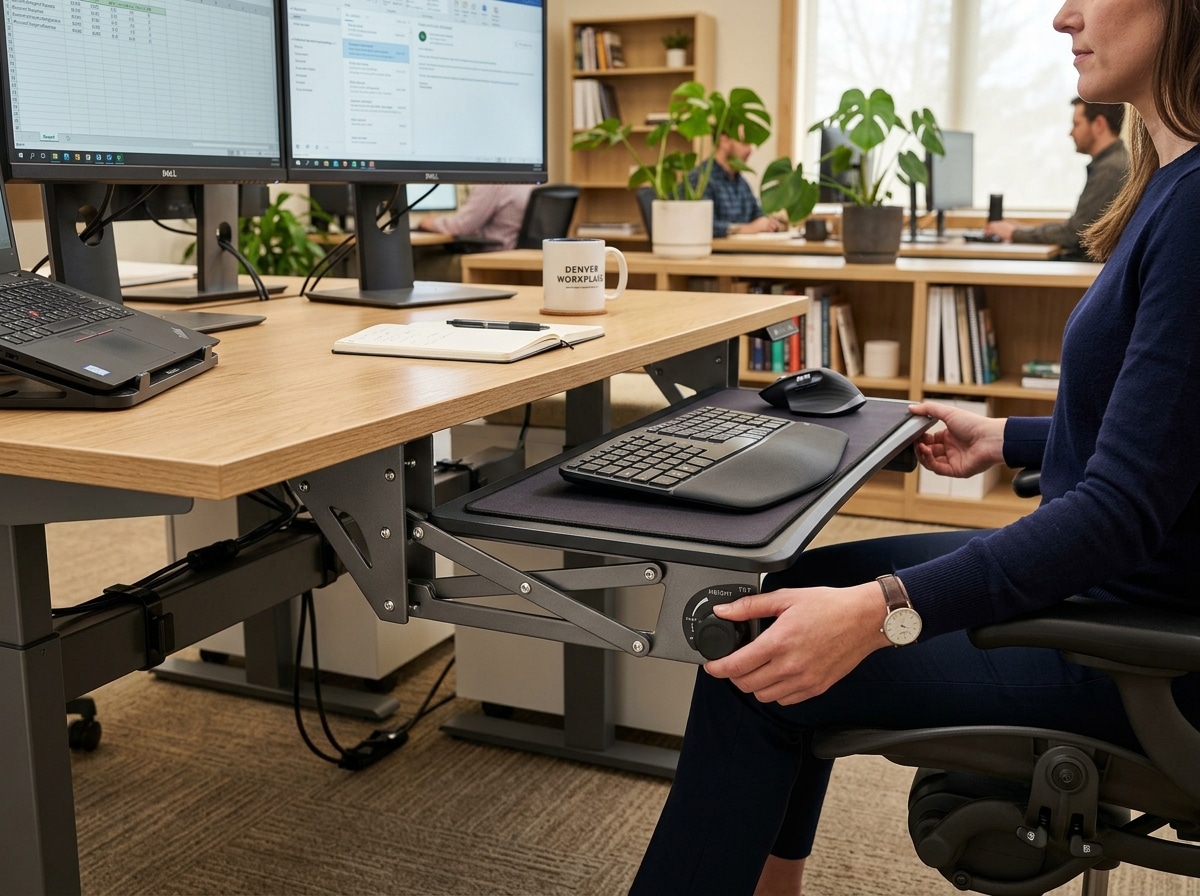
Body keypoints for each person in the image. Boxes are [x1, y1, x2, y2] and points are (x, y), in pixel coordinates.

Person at [631, 1, 1200, 893]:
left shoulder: (1197, 207)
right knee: (788, 594)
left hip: (1132, 640)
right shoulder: (1175, 182)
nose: (1063, 16)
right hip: (1130, 590)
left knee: (755, 662)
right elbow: (1170, 438)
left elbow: (1120, 514)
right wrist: (1007, 434)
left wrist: (883, 612)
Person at [985, 97, 1128, 259]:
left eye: (1076, 124)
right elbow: (1077, 226)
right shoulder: (1115, 162)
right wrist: (1024, 230)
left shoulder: (1110, 169)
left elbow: (1074, 234)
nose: (1071, 132)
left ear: (1099, 124)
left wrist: (1014, 233)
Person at [690, 129, 785, 237]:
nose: (750, 149)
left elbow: (757, 215)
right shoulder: (700, 180)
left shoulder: (742, 184)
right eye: (745, 142)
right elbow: (702, 225)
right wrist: (747, 229)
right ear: (724, 141)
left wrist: (768, 224)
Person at [416, 183, 534, 250]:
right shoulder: (528, 182)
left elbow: (462, 225)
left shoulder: (493, 183)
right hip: (519, 254)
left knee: (421, 255)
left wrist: (430, 223)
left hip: (494, 256)